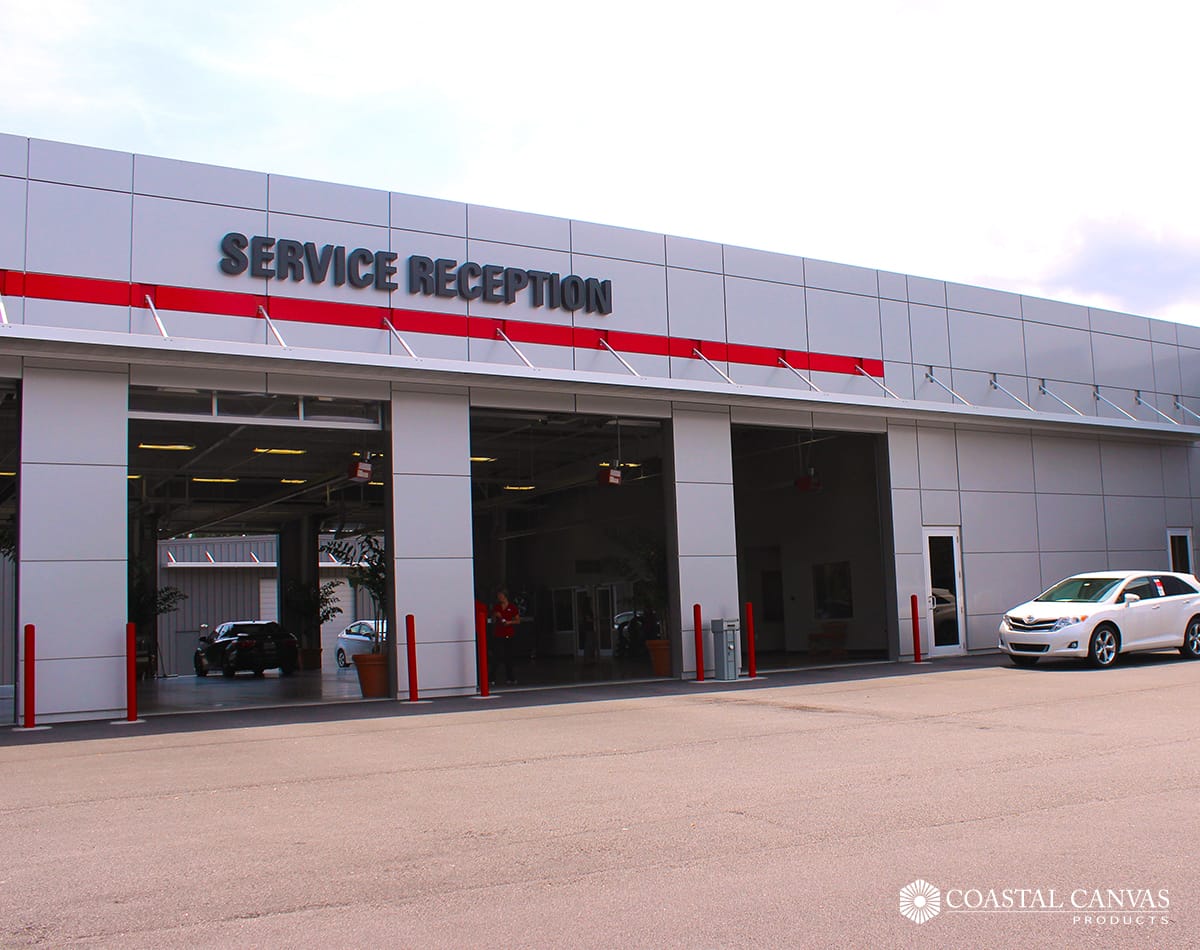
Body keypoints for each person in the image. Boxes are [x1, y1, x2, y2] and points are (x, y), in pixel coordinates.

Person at [492, 589, 521, 684]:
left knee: (509, 656)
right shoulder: (497, 607)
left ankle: (510, 677)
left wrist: (509, 622)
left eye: (501, 596)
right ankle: (491, 678)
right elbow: (493, 620)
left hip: (508, 633)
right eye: (498, 596)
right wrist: (496, 616)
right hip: (498, 633)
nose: (500, 598)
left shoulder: (512, 607)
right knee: (496, 656)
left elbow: (518, 620)